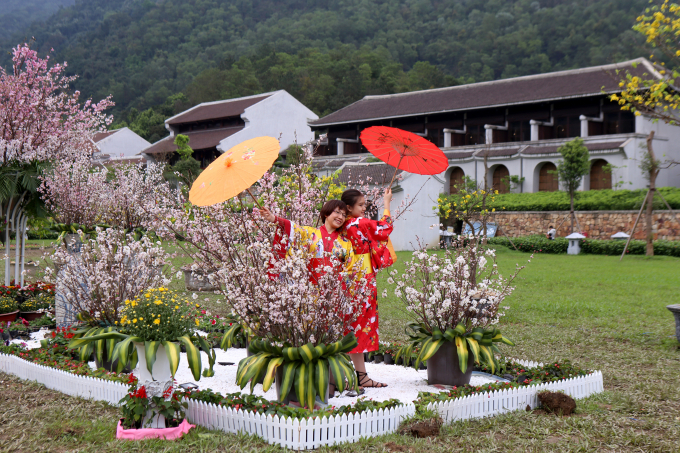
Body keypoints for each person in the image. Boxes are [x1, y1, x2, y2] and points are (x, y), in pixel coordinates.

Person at [340, 188, 394, 389]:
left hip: (345, 278)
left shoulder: (342, 224)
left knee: (349, 326)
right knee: (360, 326)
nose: (364, 208)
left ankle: (351, 375)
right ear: (348, 207)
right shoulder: (359, 223)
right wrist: (387, 203)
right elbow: (384, 229)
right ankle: (358, 376)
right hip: (362, 278)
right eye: (361, 205)